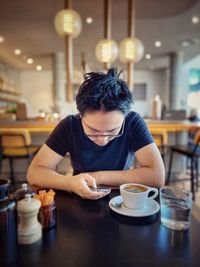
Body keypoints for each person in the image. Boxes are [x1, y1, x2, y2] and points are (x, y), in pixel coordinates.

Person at [27, 68, 165, 200]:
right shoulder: (69, 125)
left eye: (112, 131)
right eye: (93, 131)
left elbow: (157, 177)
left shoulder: (133, 122)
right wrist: (68, 182)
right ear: (81, 116)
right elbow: (35, 172)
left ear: (125, 116)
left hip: (122, 196)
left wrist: (96, 177)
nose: (103, 140)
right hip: (79, 195)